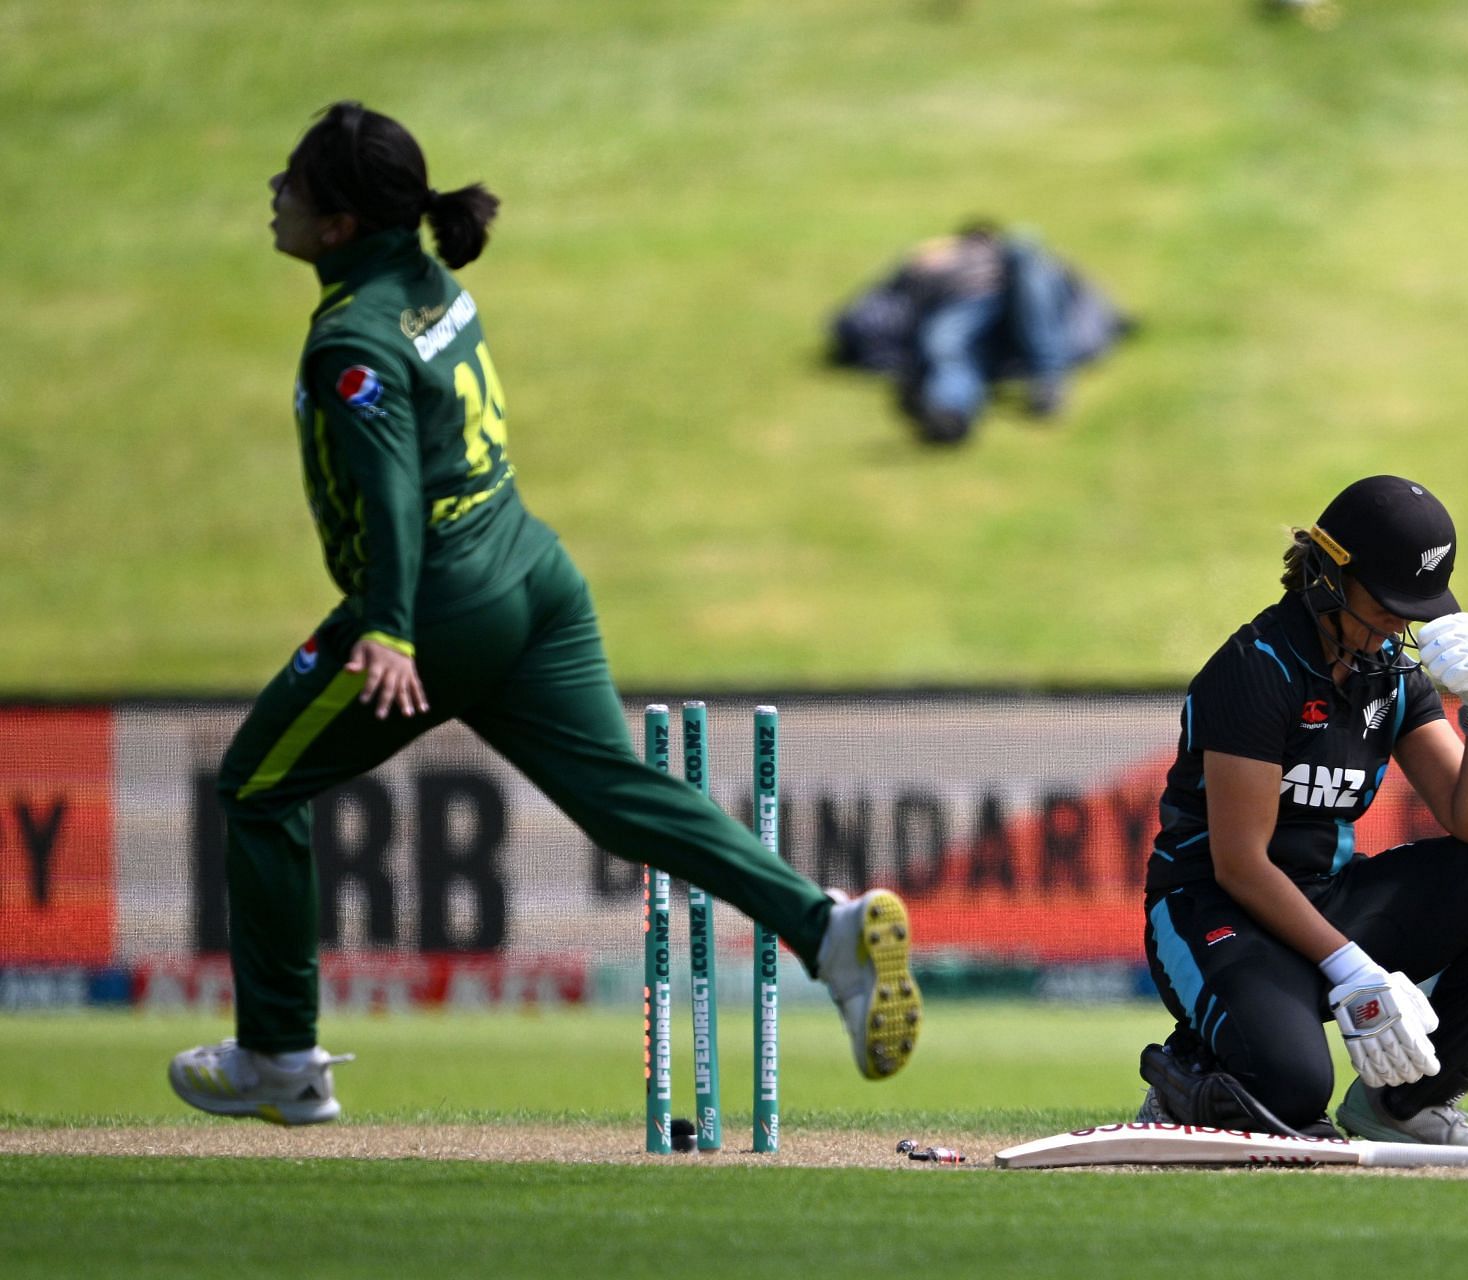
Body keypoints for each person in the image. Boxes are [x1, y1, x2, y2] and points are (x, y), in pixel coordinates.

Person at [168, 102, 922, 1126]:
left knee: (254, 785)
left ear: (341, 223)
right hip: (533, 570)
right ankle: (825, 926)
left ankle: (280, 1056)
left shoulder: (349, 334)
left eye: (292, 182)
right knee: (618, 795)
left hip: (439, 604)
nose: (275, 193)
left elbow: (388, 484)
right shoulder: (432, 285)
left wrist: (387, 623)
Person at [1135, 475, 1468, 1145]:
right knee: (1293, 1092)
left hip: (1323, 896)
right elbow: (1240, 864)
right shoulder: (1256, 669)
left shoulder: (1389, 673)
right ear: (1331, 577)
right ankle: (1184, 1071)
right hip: (1212, 911)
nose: (1402, 623)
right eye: (1390, 603)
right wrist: (1351, 968)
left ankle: (1408, 1102)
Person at [893, 221, 1073, 444]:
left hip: (1013, 300)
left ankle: (1048, 381)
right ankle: (950, 414)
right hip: (974, 306)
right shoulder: (948, 258)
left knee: (1024, 257)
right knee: (949, 347)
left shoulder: (1023, 262)